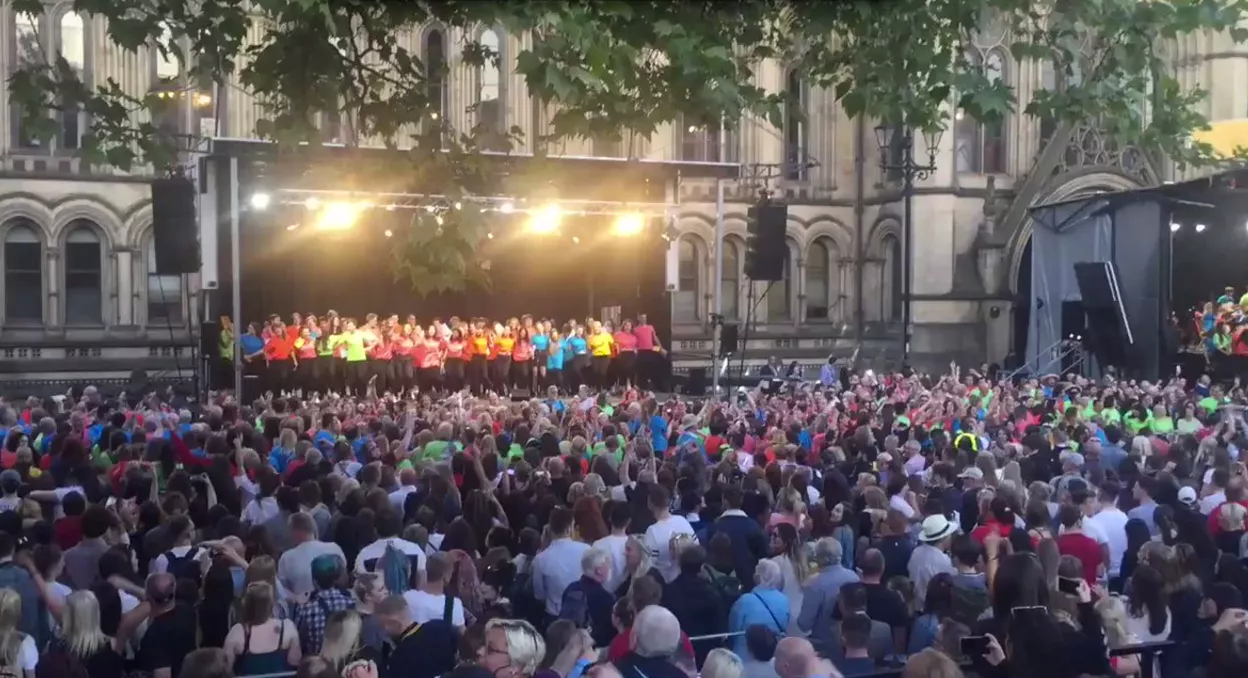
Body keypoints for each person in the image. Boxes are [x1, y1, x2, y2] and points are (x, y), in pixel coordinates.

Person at [223, 582, 301, 675]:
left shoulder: (236, 632)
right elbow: (295, 661)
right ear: (271, 605)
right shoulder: (288, 628)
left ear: (246, 604)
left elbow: (225, 669)